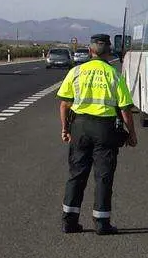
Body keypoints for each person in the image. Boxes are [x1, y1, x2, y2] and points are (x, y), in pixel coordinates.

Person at [57, 34, 137, 235]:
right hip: (105, 129)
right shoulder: (114, 75)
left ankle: (69, 221)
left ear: (90, 50)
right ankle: (101, 223)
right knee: (103, 176)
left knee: (76, 174)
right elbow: (125, 108)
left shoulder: (76, 72)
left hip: (80, 127)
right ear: (109, 52)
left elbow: (65, 103)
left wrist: (65, 129)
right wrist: (131, 133)